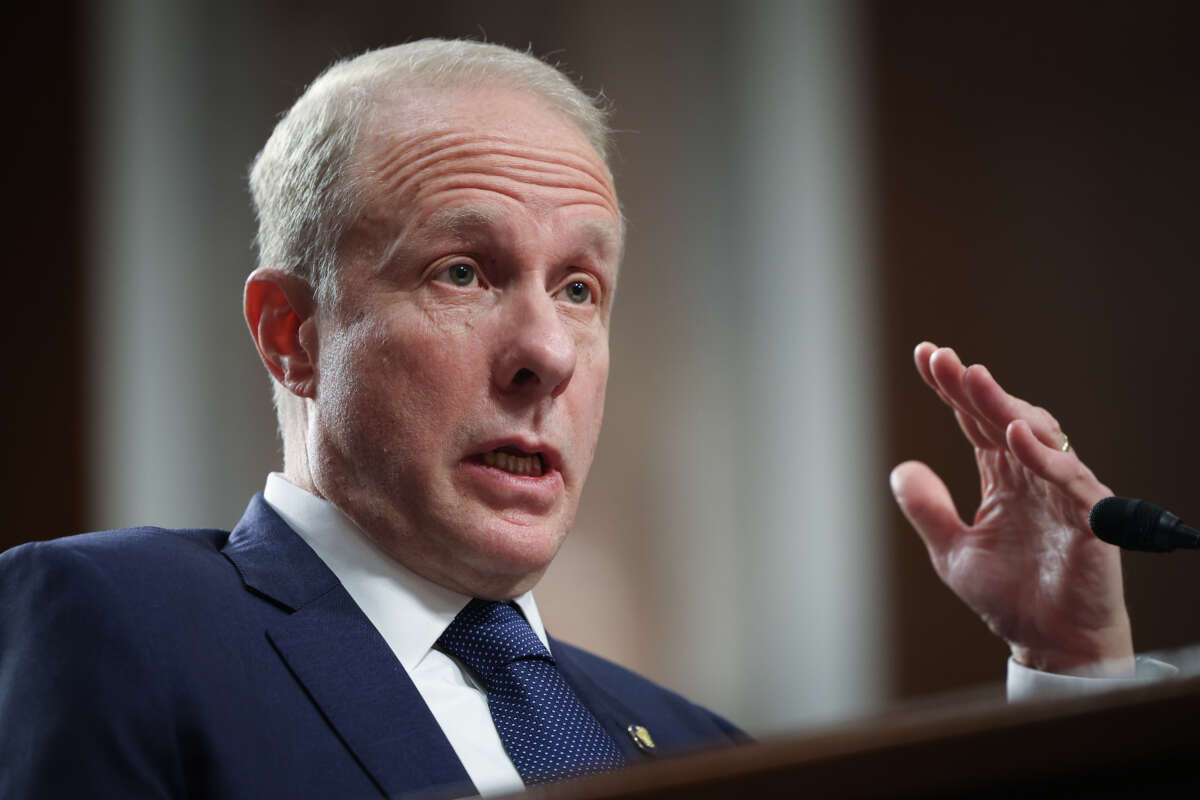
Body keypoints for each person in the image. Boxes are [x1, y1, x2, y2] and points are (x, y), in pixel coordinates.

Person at [0, 39, 1164, 798]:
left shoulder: (703, 748)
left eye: (579, 288)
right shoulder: (115, 623)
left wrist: (1071, 672)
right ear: (291, 334)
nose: (547, 354)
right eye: (461, 271)